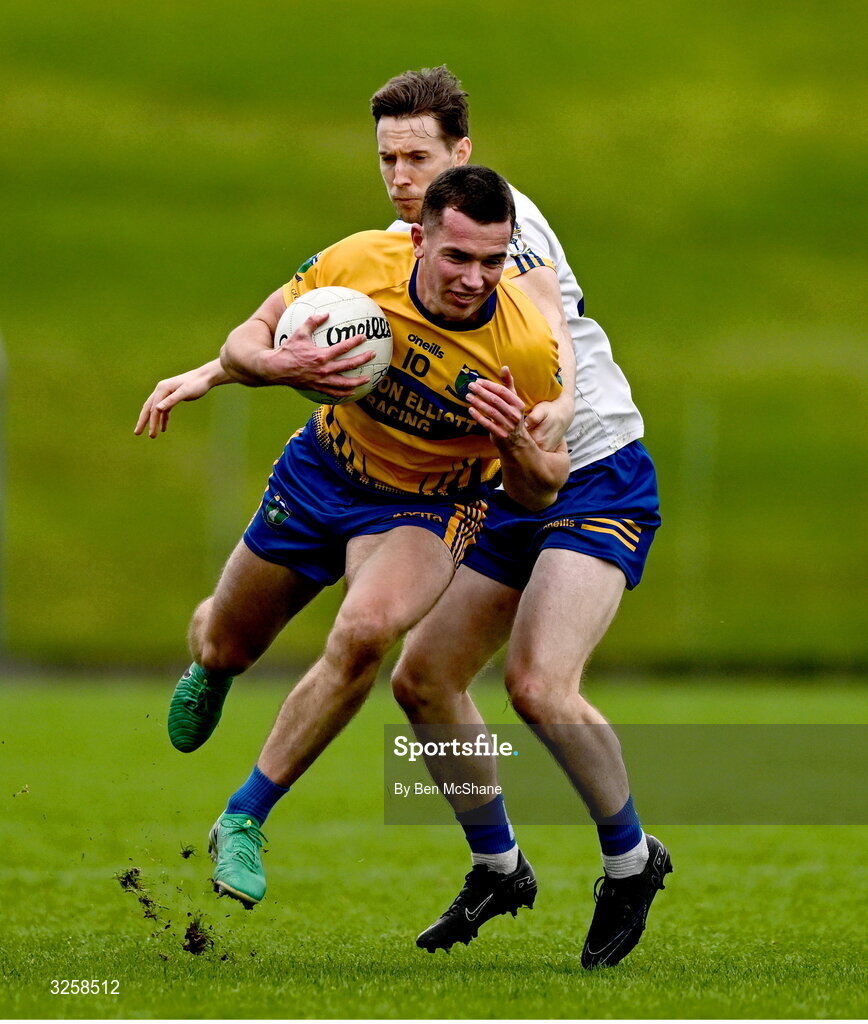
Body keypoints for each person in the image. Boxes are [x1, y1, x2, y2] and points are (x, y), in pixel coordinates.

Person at [135, 65, 671, 969]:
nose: (399, 173)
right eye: (387, 156)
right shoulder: (393, 246)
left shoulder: (497, 226)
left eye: (418, 154)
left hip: (588, 468)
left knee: (538, 684)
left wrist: (543, 418)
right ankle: (498, 865)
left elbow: (544, 334)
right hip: (486, 468)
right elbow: (307, 321)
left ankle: (630, 860)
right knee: (421, 683)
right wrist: (222, 369)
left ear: (463, 152)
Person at [148, 164, 568, 912]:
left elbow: (542, 489)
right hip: (321, 475)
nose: (476, 279)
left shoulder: (525, 350)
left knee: (367, 631)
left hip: (428, 511)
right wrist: (276, 363)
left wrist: (518, 449)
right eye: (457, 257)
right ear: (418, 241)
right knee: (224, 642)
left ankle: (244, 817)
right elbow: (244, 337)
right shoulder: (356, 266)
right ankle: (210, 667)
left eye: (493, 262)